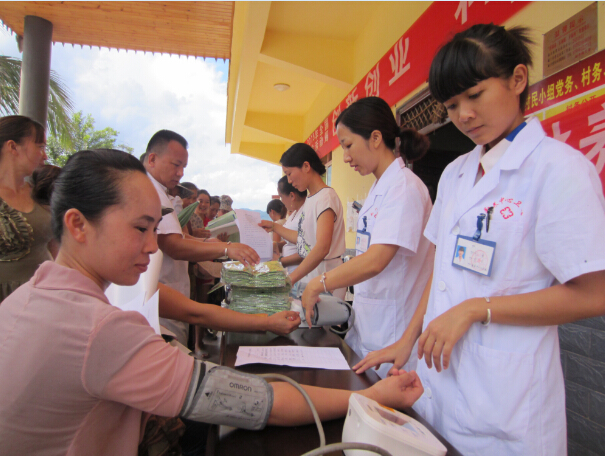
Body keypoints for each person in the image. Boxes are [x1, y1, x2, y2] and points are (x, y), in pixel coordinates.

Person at [0, 148, 424, 455]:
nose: (154, 247)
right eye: (140, 229)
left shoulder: (26, 299)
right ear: (77, 224)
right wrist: (373, 397)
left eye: (156, 229)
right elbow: (255, 400)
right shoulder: (100, 330)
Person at [353, 24, 605, 455]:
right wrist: (407, 340)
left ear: (517, 79)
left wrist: (478, 309)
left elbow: (593, 294)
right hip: (439, 388)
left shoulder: (558, 169)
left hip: (508, 403)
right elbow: (442, 270)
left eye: (475, 95)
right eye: (452, 105)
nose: (463, 114)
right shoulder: (454, 174)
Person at [300, 97, 434, 378]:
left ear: (375, 138)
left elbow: (376, 260)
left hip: (394, 331)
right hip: (372, 326)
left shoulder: (405, 188)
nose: (346, 157)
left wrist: (319, 283)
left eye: (348, 145)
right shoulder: (379, 189)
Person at [142, 130, 259, 345]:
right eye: (175, 165)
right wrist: (225, 248)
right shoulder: (151, 191)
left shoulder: (161, 191)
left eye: (183, 168)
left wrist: (208, 242)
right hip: (160, 297)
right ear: (152, 159)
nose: (180, 173)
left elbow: (179, 238)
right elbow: (173, 245)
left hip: (170, 294)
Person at [260, 143, 346, 299]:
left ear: (306, 166)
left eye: (289, 173)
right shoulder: (312, 199)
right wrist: (273, 226)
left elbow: (322, 247)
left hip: (327, 275)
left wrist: (291, 278)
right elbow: (303, 239)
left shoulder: (325, 197)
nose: (289, 180)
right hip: (315, 274)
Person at [0, 115, 53, 302]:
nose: (44, 155)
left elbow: (56, 247)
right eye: (40, 147)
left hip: (41, 296)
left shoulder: (41, 189)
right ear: (13, 147)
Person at [276, 175, 307, 273]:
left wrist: (279, 262)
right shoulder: (294, 213)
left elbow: (308, 249)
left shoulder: (306, 212)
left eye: (281, 197)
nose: (281, 201)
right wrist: (276, 245)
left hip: (301, 273)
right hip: (291, 271)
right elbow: (291, 241)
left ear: (292, 196)